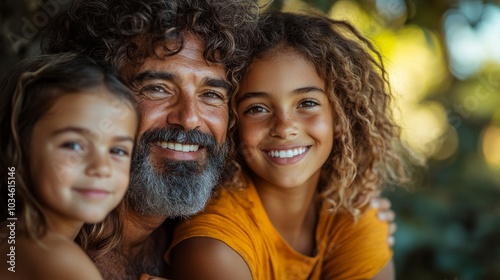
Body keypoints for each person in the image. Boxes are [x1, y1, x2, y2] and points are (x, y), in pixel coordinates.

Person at [41, 1, 396, 279]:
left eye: (212, 94)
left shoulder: (188, 223)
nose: (190, 118)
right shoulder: (33, 237)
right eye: (157, 88)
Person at [167, 11, 413, 280]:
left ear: (341, 116)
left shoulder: (353, 214)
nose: (284, 128)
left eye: (307, 103)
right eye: (257, 108)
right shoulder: (213, 248)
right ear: (234, 124)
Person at [0, 52, 140, 279]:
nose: (101, 167)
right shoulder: (55, 257)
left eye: (117, 150)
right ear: (17, 152)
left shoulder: (15, 239)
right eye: (74, 145)